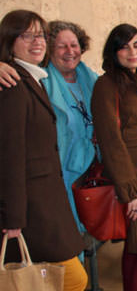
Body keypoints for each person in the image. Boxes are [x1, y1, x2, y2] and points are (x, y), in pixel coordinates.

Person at [0, 10, 87, 291]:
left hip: (44, 203)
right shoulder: (13, 84)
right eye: (27, 35)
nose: (37, 42)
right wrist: (13, 219)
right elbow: (9, 155)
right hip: (32, 210)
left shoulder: (31, 78)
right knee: (73, 279)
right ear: (9, 40)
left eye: (40, 35)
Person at [0, 21, 98, 233]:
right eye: (62, 46)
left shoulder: (93, 81)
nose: (70, 51)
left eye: (74, 45)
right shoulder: (38, 81)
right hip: (56, 174)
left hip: (89, 173)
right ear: (49, 49)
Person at [91, 23, 137, 291]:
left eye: (136, 45)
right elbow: (111, 141)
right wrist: (130, 190)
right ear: (113, 51)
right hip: (133, 169)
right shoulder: (107, 84)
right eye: (124, 46)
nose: (132, 52)